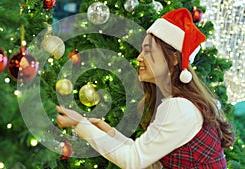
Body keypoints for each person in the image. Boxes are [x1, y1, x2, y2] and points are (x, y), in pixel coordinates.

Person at [56, 8, 235, 169]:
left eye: (148, 51)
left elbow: (133, 161)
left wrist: (80, 124)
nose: (139, 58)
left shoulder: (180, 108)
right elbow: (147, 156)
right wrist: (111, 133)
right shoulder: (176, 103)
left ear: (173, 59)